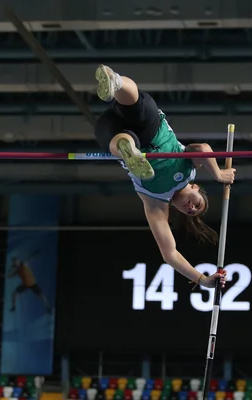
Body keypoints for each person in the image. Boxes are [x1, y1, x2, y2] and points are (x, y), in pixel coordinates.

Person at [93, 64, 233, 289]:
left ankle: (129, 151)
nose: (191, 208)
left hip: (113, 131)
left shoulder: (156, 203)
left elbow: (170, 254)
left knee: (124, 140)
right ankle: (115, 82)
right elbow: (203, 148)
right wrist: (218, 174)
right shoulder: (190, 169)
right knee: (136, 106)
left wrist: (204, 280)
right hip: (152, 127)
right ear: (195, 187)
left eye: (190, 211)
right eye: (198, 204)